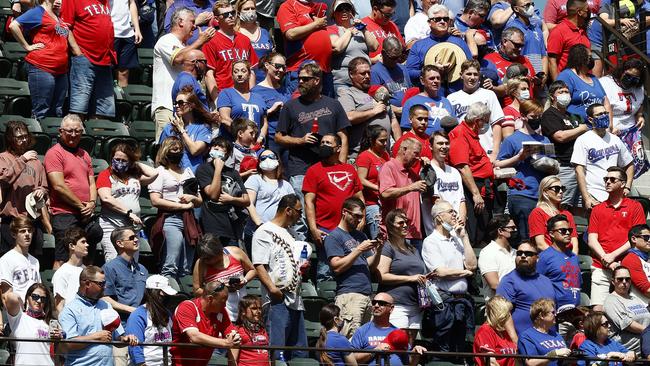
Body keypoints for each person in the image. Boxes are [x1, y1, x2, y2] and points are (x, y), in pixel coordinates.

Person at [275, 62, 351, 237]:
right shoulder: (291, 106)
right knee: (300, 214)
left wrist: (342, 164)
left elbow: (343, 136)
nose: (300, 82)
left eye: (305, 79)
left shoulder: (333, 105)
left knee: (331, 210)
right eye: (299, 78)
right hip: (301, 167)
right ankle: (303, 257)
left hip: (329, 167)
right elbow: (279, 137)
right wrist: (300, 140)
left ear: (317, 80)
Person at [252, 194, 310, 361]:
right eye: (299, 211)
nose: (301, 216)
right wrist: (272, 289)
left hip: (296, 299)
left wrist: (304, 267)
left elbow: (295, 262)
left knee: (300, 354)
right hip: (277, 300)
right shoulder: (264, 231)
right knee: (278, 353)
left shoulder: (292, 234)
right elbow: (259, 264)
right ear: (288, 210)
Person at [45, 114, 102, 268]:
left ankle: (87, 276)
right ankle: (58, 289)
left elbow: (91, 183)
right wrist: (81, 206)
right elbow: (58, 186)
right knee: (63, 254)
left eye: (77, 131)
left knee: (95, 232)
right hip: (64, 212)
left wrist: (91, 203)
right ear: (60, 131)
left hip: (84, 212)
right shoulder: (54, 153)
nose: (73, 135)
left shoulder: (85, 154)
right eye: (69, 131)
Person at [304, 134, 363, 280]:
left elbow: (360, 198)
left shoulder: (350, 169)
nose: (324, 145)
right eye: (322, 142)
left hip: (350, 230)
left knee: (352, 268)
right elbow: (309, 202)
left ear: (338, 148)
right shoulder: (314, 170)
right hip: (325, 230)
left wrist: (362, 221)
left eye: (328, 143)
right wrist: (313, 228)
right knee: (326, 271)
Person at [422, 200, 477, 352]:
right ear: (439, 217)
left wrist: (464, 237)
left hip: (462, 301)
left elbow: (472, 265)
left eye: (454, 211)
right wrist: (464, 273)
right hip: (444, 304)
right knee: (443, 348)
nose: (455, 214)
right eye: (451, 212)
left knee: (460, 347)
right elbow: (440, 272)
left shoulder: (458, 238)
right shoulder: (431, 241)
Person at [152, 7, 215, 141]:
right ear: (180, 21)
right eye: (192, 22)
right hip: (167, 106)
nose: (195, 26)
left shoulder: (183, 44)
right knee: (168, 148)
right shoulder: (167, 39)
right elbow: (178, 58)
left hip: (185, 108)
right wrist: (200, 41)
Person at [587, 167, 645, 309]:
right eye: (606, 179)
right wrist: (606, 259)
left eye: (612, 179)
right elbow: (592, 239)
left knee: (630, 309)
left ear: (623, 183)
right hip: (600, 265)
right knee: (598, 310)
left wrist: (612, 256)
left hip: (627, 265)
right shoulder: (597, 209)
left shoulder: (635, 206)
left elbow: (636, 237)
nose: (607, 182)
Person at [325, 197, 383, 337]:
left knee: (364, 342)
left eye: (361, 217)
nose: (359, 220)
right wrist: (358, 250)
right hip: (349, 296)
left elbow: (370, 265)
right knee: (350, 340)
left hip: (367, 296)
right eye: (356, 216)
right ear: (345, 212)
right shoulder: (334, 236)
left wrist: (379, 250)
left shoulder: (360, 235)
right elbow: (337, 266)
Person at [59, 266, 139, 366]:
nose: (105, 287)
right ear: (87, 284)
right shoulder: (70, 310)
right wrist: (96, 337)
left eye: (105, 283)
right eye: (101, 284)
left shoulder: (106, 305)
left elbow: (117, 339)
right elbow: (68, 344)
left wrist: (125, 339)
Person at [495, 100, 551, 240]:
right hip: (522, 193)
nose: (537, 119)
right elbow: (498, 164)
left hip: (542, 195)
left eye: (539, 116)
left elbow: (552, 164)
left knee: (542, 236)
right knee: (524, 237)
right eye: (533, 116)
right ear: (523, 116)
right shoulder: (512, 140)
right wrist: (519, 157)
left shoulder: (544, 139)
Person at [149, 136, 203, 281]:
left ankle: (182, 297)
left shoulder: (187, 172)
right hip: (170, 219)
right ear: (166, 151)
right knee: (170, 265)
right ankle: (166, 298)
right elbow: (155, 200)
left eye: (179, 149)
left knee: (186, 266)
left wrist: (192, 199)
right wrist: (180, 205)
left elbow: (199, 200)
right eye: (174, 149)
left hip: (189, 220)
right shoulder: (160, 172)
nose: (177, 152)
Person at [8, 0, 69, 121]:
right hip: (42, 67)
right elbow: (13, 26)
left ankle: (52, 139)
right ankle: (39, 139)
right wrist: (27, 46)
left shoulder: (56, 14)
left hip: (61, 71)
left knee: (57, 110)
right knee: (41, 110)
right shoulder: (38, 12)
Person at [97, 143, 159, 261]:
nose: (119, 162)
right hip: (113, 227)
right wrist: (128, 213)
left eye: (124, 160)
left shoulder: (134, 176)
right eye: (117, 159)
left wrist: (134, 162)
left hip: (132, 229)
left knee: (132, 263)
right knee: (113, 261)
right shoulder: (105, 175)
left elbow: (154, 174)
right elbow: (106, 198)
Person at [376, 209, 428, 341]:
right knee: (397, 345)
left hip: (415, 305)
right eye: (400, 223)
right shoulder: (388, 247)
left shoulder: (413, 249)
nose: (405, 225)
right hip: (397, 305)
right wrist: (410, 278)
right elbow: (381, 275)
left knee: (411, 349)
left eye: (406, 222)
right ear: (391, 226)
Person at [448, 102, 495, 247]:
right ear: (477, 121)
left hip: (483, 185)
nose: (486, 125)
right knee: (474, 230)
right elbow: (462, 166)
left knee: (483, 228)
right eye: (485, 122)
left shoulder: (472, 134)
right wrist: (475, 194)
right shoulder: (461, 133)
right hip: (472, 187)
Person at [0, 120, 49, 256]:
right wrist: (22, 160)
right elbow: (4, 180)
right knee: (9, 260)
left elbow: (44, 186)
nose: (24, 140)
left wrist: (41, 191)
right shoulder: (3, 158)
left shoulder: (36, 161)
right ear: (10, 139)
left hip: (32, 220)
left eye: (26, 136)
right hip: (12, 220)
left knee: (34, 260)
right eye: (19, 137)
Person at [60, 0, 116, 119]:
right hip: (84, 58)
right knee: (79, 107)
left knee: (104, 109)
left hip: (105, 59)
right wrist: (77, 51)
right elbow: (64, 26)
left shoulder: (104, 2)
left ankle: (99, 137)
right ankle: (77, 136)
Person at [571, 104, 633, 208]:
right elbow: (579, 171)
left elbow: (629, 164)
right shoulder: (583, 140)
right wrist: (586, 197)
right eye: (600, 114)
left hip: (615, 196)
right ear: (591, 119)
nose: (604, 116)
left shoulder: (615, 139)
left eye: (605, 113)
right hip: (594, 196)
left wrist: (627, 187)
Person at [540, 80, 588, 209]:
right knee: (560, 203)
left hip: (579, 166)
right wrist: (581, 129)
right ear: (552, 96)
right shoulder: (549, 114)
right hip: (564, 166)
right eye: (561, 92)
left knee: (577, 207)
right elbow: (559, 136)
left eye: (567, 92)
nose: (565, 94)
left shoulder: (573, 116)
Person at [337, 57, 398, 158]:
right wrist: (374, 111)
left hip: (385, 155)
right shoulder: (347, 93)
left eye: (369, 73)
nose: (367, 76)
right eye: (363, 73)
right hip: (361, 155)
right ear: (351, 74)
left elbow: (394, 122)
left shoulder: (378, 92)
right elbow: (348, 117)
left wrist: (398, 146)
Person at [170, 280, 241, 366]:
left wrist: (232, 364)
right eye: (222, 301)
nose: (225, 305)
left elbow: (233, 337)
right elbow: (194, 336)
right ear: (210, 299)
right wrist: (226, 343)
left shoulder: (221, 311)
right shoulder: (187, 307)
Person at [599, 59, 649, 178]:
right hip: (611, 131)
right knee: (612, 168)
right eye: (628, 75)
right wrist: (609, 126)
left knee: (631, 166)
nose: (631, 79)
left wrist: (639, 115)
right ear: (622, 71)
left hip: (631, 132)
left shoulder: (638, 87)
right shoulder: (605, 83)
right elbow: (602, 107)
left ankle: (626, 190)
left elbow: (640, 103)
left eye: (635, 77)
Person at [447, 61, 505, 160]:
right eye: (468, 74)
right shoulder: (451, 98)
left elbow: (496, 124)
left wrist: (495, 152)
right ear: (461, 75)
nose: (472, 77)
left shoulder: (489, 95)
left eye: (475, 74)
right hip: (462, 149)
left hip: (485, 147)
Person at [202, 0, 258, 102]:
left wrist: (252, 97)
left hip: (245, 96)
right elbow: (209, 74)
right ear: (216, 19)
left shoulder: (244, 39)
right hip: (224, 95)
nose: (231, 16)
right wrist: (217, 101)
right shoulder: (211, 41)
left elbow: (252, 71)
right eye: (225, 14)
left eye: (232, 13)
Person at [192, 233, 257, 320]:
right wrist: (218, 290)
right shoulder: (201, 263)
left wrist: (244, 280)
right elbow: (197, 290)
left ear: (220, 251)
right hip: (219, 313)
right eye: (204, 258)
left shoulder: (235, 252)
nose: (206, 261)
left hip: (243, 307)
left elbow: (252, 270)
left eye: (210, 258)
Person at [497, 242, 556, 335]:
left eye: (528, 254)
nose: (523, 256)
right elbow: (502, 314)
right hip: (523, 340)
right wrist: (514, 339)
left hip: (548, 339)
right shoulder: (509, 281)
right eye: (519, 253)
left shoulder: (546, 281)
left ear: (537, 258)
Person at [405, 4, 472, 87]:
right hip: (429, 95)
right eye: (437, 19)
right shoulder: (418, 46)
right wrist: (430, 70)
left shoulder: (460, 43)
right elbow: (409, 72)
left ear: (450, 22)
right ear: (429, 22)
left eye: (446, 19)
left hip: (457, 91)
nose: (442, 21)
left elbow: (471, 67)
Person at [351, 292, 426, 366]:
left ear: (391, 308)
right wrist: (374, 351)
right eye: (374, 303)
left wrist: (415, 354)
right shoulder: (362, 331)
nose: (376, 305)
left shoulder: (398, 333)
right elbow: (352, 359)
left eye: (381, 303)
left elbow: (409, 363)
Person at [276, 0, 334, 95]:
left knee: (326, 108)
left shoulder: (316, 6)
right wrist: (316, 24)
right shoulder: (288, 5)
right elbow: (291, 33)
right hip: (301, 71)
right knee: (301, 107)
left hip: (324, 71)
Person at [244, 148, 295, 250]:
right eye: (263, 158)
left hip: (281, 234)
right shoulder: (255, 179)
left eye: (271, 157)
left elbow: (293, 208)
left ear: (277, 160)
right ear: (259, 163)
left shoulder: (286, 185)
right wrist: (260, 224)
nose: (267, 159)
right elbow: (249, 203)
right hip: (258, 232)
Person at [378, 138, 426, 243]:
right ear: (404, 149)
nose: (418, 158)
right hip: (396, 234)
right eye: (415, 153)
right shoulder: (389, 167)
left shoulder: (413, 173)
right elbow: (385, 193)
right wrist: (410, 187)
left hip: (415, 233)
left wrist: (428, 168)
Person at [158, 86, 214, 173]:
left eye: (180, 103)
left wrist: (181, 130)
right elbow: (160, 155)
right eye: (175, 103)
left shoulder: (202, 128)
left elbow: (194, 150)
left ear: (191, 106)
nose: (176, 106)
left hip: (193, 177)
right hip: (173, 177)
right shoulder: (168, 128)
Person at [5, 283, 62, 366]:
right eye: (35, 297)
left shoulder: (51, 322)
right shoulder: (20, 318)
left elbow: (62, 351)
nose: (39, 301)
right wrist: (22, 303)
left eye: (43, 299)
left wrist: (59, 338)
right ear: (28, 297)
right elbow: (10, 297)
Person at [421, 131, 466, 235]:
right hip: (437, 231)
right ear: (431, 146)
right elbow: (436, 201)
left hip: (457, 229)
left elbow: (462, 200)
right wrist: (452, 221)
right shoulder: (427, 171)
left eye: (446, 143)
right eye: (440, 143)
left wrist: (462, 220)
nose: (444, 146)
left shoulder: (454, 172)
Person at [125, 275, 176, 366]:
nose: (167, 298)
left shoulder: (167, 314)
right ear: (154, 294)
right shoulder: (138, 315)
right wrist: (142, 364)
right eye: (164, 295)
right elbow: (135, 347)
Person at [328, 0, 378, 93]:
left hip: (365, 80)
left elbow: (374, 47)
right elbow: (337, 47)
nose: (344, 11)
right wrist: (349, 31)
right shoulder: (332, 29)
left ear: (352, 12)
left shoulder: (361, 29)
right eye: (340, 9)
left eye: (347, 8)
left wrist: (364, 29)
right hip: (344, 82)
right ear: (334, 13)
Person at [101, 226, 148, 326]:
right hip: (121, 324)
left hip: (142, 323)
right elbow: (104, 298)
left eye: (136, 237)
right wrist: (131, 310)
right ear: (120, 243)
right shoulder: (109, 268)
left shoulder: (142, 269)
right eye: (131, 238)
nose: (136, 240)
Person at [251, 53, 292, 158]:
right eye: (278, 66)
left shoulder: (285, 90)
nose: (281, 70)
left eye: (284, 67)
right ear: (267, 65)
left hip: (288, 139)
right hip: (270, 140)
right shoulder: (256, 91)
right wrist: (271, 110)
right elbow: (252, 118)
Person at [217, 61, 268, 143]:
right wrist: (244, 134)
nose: (239, 74)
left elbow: (264, 123)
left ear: (249, 74)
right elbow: (224, 119)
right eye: (236, 71)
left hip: (255, 145)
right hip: (233, 144)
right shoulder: (226, 93)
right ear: (232, 75)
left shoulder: (259, 97)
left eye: (243, 71)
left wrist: (261, 138)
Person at [536, 214, 581, 307]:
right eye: (563, 231)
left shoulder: (573, 256)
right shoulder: (544, 257)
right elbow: (536, 285)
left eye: (570, 230)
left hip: (575, 310)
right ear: (552, 233)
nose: (568, 233)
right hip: (555, 311)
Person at [556, 45, 610, 121]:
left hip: (599, 127)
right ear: (580, 58)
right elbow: (560, 103)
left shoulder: (593, 78)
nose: (592, 60)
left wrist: (609, 124)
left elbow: (606, 102)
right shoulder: (566, 76)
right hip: (579, 127)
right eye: (589, 57)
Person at [603, 266, 650, 353]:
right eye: (620, 279)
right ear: (613, 282)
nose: (624, 282)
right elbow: (627, 324)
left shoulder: (634, 299)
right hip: (628, 352)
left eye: (627, 279)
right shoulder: (611, 301)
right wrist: (647, 332)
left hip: (645, 347)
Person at [528, 176, 580, 254]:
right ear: (545, 192)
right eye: (556, 188)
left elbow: (574, 242)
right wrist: (558, 258)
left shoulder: (567, 214)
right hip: (549, 258)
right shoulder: (537, 213)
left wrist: (572, 259)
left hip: (568, 258)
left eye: (562, 188)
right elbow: (541, 244)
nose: (561, 191)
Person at [399, 66, 455, 137]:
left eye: (438, 78)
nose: (436, 81)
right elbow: (406, 131)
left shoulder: (446, 102)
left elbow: (454, 127)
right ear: (422, 81)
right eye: (431, 78)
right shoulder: (411, 102)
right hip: (423, 144)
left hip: (445, 144)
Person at [356, 125, 389, 239]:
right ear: (372, 140)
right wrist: (379, 188)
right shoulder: (365, 156)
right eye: (381, 141)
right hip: (372, 204)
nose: (385, 144)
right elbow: (361, 180)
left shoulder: (385, 155)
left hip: (385, 202)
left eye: (386, 140)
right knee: (379, 239)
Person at [483, 27, 536, 97]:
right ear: (505, 42)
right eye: (517, 45)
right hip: (506, 106)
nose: (520, 49)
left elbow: (533, 87)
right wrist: (494, 89)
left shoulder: (524, 60)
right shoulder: (489, 59)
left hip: (528, 105)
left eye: (522, 46)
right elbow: (488, 91)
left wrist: (538, 83)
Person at [518, 298, 571, 366]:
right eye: (553, 312)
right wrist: (552, 355)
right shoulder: (527, 336)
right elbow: (531, 363)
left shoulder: (557, 335)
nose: (555, 315)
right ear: (542, 315)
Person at [0, 216, 41, 302]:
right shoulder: (6, 260)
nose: (27, 234)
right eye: (22, 231)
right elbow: (6, 296)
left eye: (29, 231)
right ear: (14, 234)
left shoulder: (35, 261)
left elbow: (39, 289)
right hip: (18, 311)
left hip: (35, 310)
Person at [547, 0, 590, 80]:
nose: (589, 14)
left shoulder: (583, 31)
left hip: (584, 81)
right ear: (580, 12)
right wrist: (558, 86)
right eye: (587, 11)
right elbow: (551, 61)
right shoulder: (558, 31)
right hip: (567, 83)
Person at [504, 0, 548, 77]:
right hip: (522, 77)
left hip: (539, 79)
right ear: (516, 9)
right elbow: (511, 55)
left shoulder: (536, 28)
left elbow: (543, 56)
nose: (531, 7)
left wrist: (544, 76)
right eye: (527, 5)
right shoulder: (512, 28)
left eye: (532, 4)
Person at [370, 37, 412, 115]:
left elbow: (410, 90)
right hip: (389, 115)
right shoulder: (374, 72)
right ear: (383, 53)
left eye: (398, 57)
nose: (396, 61)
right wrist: (396, 110)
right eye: (393, 58)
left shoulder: (402, 68)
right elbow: (375, 102)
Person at [235, 0, 273, 83]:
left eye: (253, 8)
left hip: (265, 81)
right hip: (244, 82)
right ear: (238, 13)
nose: (250, 11)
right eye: (246, 9)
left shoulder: (264, 32)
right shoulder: (235, 34)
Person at [480, 215, 517, 300]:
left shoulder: (516, 252)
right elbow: (494, 284)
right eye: (512, 228)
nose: (515, 230)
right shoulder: (488, 252)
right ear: (500, 231)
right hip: (498, 307)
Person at [473, 295, 518, 366]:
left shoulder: (504, 331)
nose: (510, 315)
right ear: (499, 313)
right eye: (507, 312)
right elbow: (491, 362)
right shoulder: (485, 331)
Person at [227, 294, 270, 366]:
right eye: (254, 308)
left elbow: (267, 356)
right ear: (243, 311)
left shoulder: (262, 329)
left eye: (260, 308)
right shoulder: (237, 331)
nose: (258, 311)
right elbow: (232, 361)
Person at [52, 227, 88, 313]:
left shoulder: (87, 270)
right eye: (83, 242)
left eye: (86, 242)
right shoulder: (62, 272)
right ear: (72, 246)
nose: (87, 245)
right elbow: (59, 305)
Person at [110, 0, 141, 88]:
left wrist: (137, 29)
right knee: (107, 70)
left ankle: (122, 100)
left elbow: (132, 3)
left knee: (124, 71)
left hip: (128, 32)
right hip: (110, 32)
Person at [621, 225, 650, 300]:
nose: (649, 240)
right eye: (646, 237)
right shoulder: (631, 259)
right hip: (641, 307)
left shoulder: (646, 258)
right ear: (634, 239)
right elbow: (647, 290)